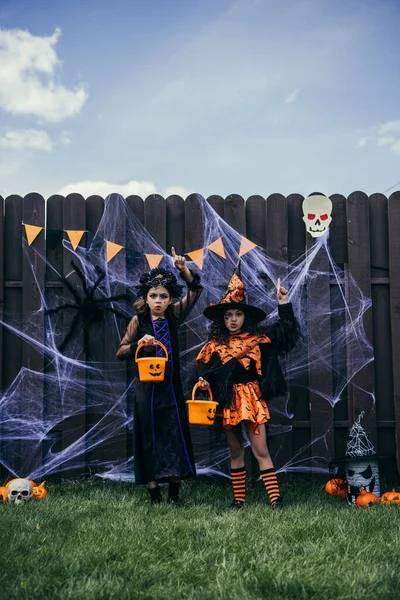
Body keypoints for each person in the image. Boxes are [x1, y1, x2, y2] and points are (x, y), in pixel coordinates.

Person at [196, 272, 300, 508]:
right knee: (235, 450)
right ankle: (238, 501)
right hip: (228, 402)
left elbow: (285, 333)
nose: (233, 319)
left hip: (251, 398)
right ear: (221, 319)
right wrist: (203, 382)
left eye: (238, 314)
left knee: (261, 449)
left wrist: (283, 304)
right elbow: (202, 369)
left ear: (245, 317)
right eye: (228, 315)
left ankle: (276, 500)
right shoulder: (213, 346)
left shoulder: (258, 340)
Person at [116, 248, 202, 504]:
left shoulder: (174, 315)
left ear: (169, 299)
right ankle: (154, 494)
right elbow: (120, 351)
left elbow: (196, 291)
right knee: (148, 438)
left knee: (175, 437)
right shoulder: (138, 320)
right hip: (146, 391)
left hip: (171, 390)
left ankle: (174, 494)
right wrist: (138, 345)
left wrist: (184, 270)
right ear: (146, 297)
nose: (158, 301)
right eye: (153, 296)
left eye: (163, 296)